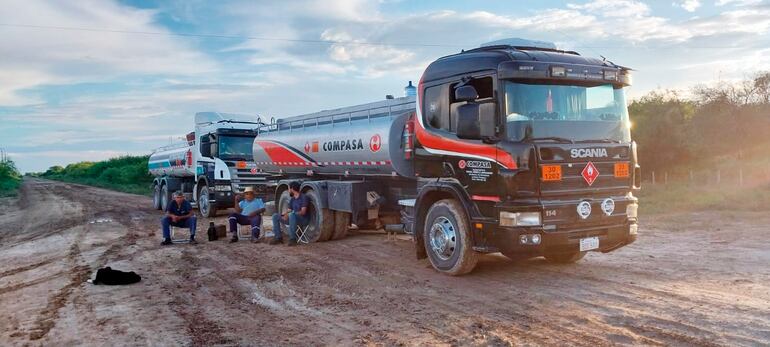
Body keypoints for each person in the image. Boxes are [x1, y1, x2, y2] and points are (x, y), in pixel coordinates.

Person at [270, 181, 309, 247]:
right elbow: (289, 210)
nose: (288, 190)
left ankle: (293, 239)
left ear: (292, 189)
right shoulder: (293, 199)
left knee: (292, 215)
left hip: (303, 219)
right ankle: (278, 237)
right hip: (292, 218)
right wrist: (284, 215)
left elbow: (303, 212)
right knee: (275, 216)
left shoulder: (303, 197)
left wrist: (290, 214)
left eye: (288, 189)